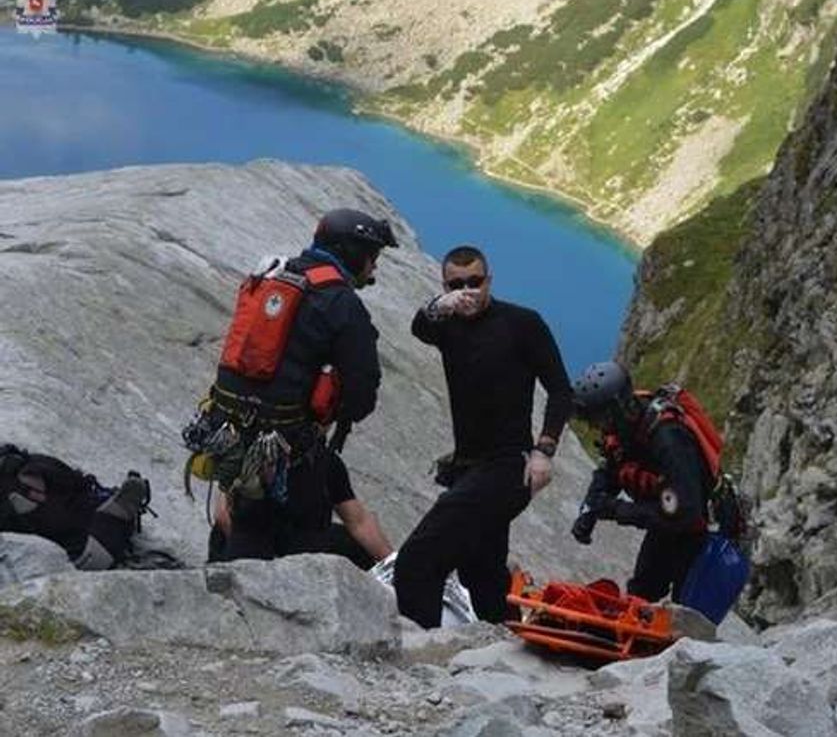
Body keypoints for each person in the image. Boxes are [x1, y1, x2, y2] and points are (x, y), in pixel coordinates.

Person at [198, 208, 396, 568]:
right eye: (373, 257)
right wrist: (329, 415)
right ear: (351, 251)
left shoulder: (272, 277)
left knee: (246, 525)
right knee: (303, 544)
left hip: (233, 431)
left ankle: (229, 600)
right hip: (293, 448)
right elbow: (363, 389)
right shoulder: (340, 301)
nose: (374, 268)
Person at [394, 245, 573, 629]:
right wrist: (439, 305)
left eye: (475, 282)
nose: (468, 291)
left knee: (417, 561)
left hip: (509, 467)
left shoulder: (522, 323)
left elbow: (561, 390)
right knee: (483, 574)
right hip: (467, 467)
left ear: (489, 281)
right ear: (445, 286)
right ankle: (509, 643)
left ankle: (422, 653)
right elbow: (418, 326)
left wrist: (544, 450)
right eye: (457, 284)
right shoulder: (447, 325)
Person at [569, 361, 713, 603]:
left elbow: (687, 512)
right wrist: (589, 511)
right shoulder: (623, 428)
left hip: (702, 532)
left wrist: (618, 510)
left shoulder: (669, 439)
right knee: (641, 595)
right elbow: (610, 471)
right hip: (667, 521)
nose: (596, 426)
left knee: (688, 611)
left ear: (618, 408)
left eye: (600, 418)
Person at [0, 444, 151, 570]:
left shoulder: (17, 484)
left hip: (83, 548)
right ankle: (111, 513)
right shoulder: (33, 462)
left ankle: (109, 519)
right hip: (89, 523)